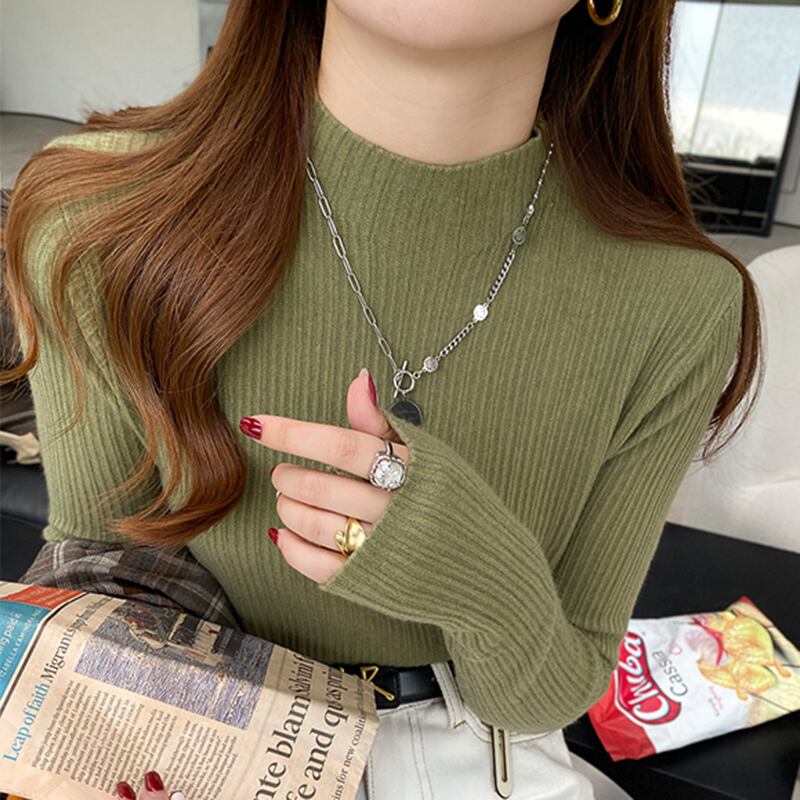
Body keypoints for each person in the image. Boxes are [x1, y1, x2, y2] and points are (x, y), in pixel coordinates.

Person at [2, 0, 762, 797]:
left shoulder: (681, 302)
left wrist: (483, 582)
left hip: (484, 758)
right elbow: (97, 573)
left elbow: (548, 694)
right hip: (195, 738)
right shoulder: (101, 216)